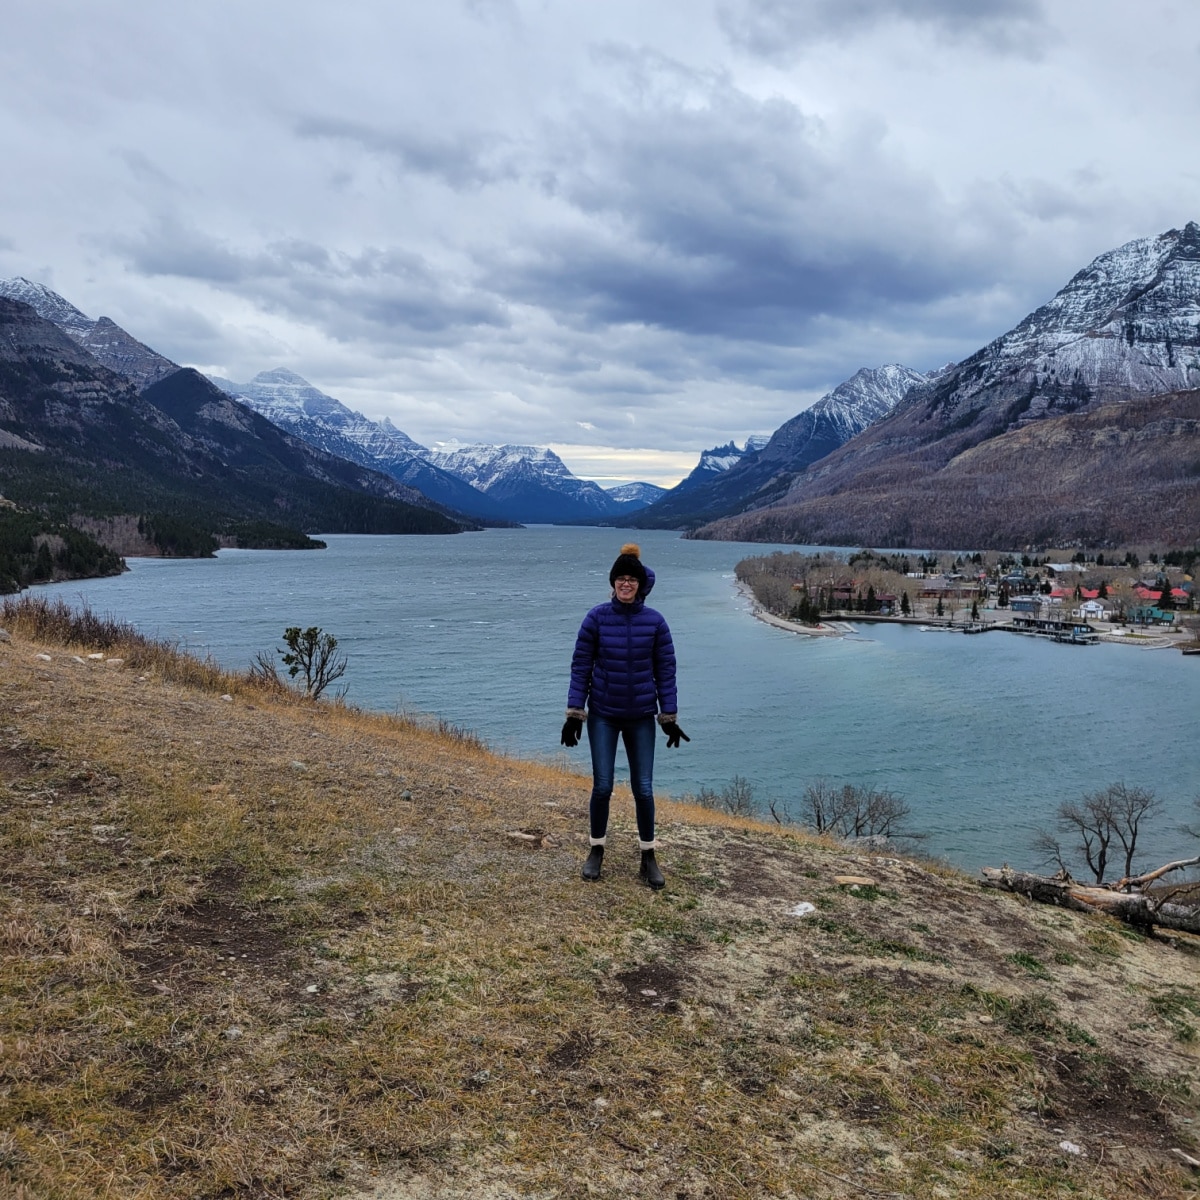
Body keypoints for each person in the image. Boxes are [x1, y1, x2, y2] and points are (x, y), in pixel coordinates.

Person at [561, 543, 688, 889]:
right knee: (602, 786)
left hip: (641, 717)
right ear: (613, 582)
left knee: (643, 789)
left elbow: (666, 670)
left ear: (641, 584)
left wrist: (669, 716)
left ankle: (648, 857)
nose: (626, 584)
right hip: (603, 714)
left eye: (632, 579)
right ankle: (596, 850)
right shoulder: (596, 618)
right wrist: (576, 713)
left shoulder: (655, 622)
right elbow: (581, 666)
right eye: (621, 578)